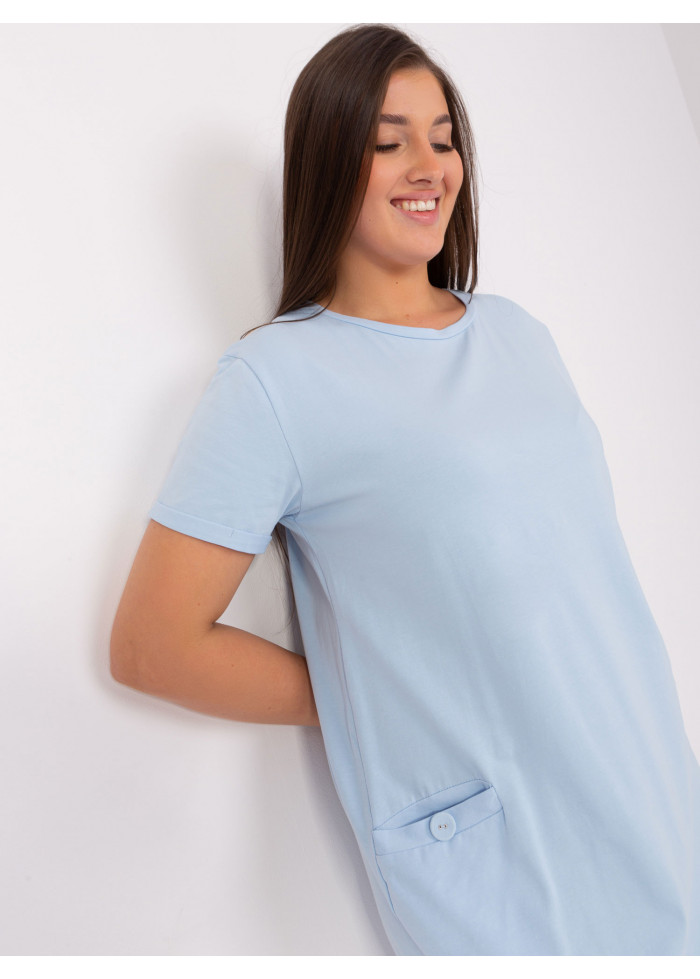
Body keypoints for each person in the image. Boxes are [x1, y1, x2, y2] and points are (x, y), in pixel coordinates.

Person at [110, 24, 700, 955]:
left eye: (443, 137)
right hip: (509, 854)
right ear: (326, 162)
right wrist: (376, 700)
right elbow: (153, 645)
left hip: (647, 780)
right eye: (389, 143)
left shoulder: (518, 334)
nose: (429, 166)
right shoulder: (276, 382)